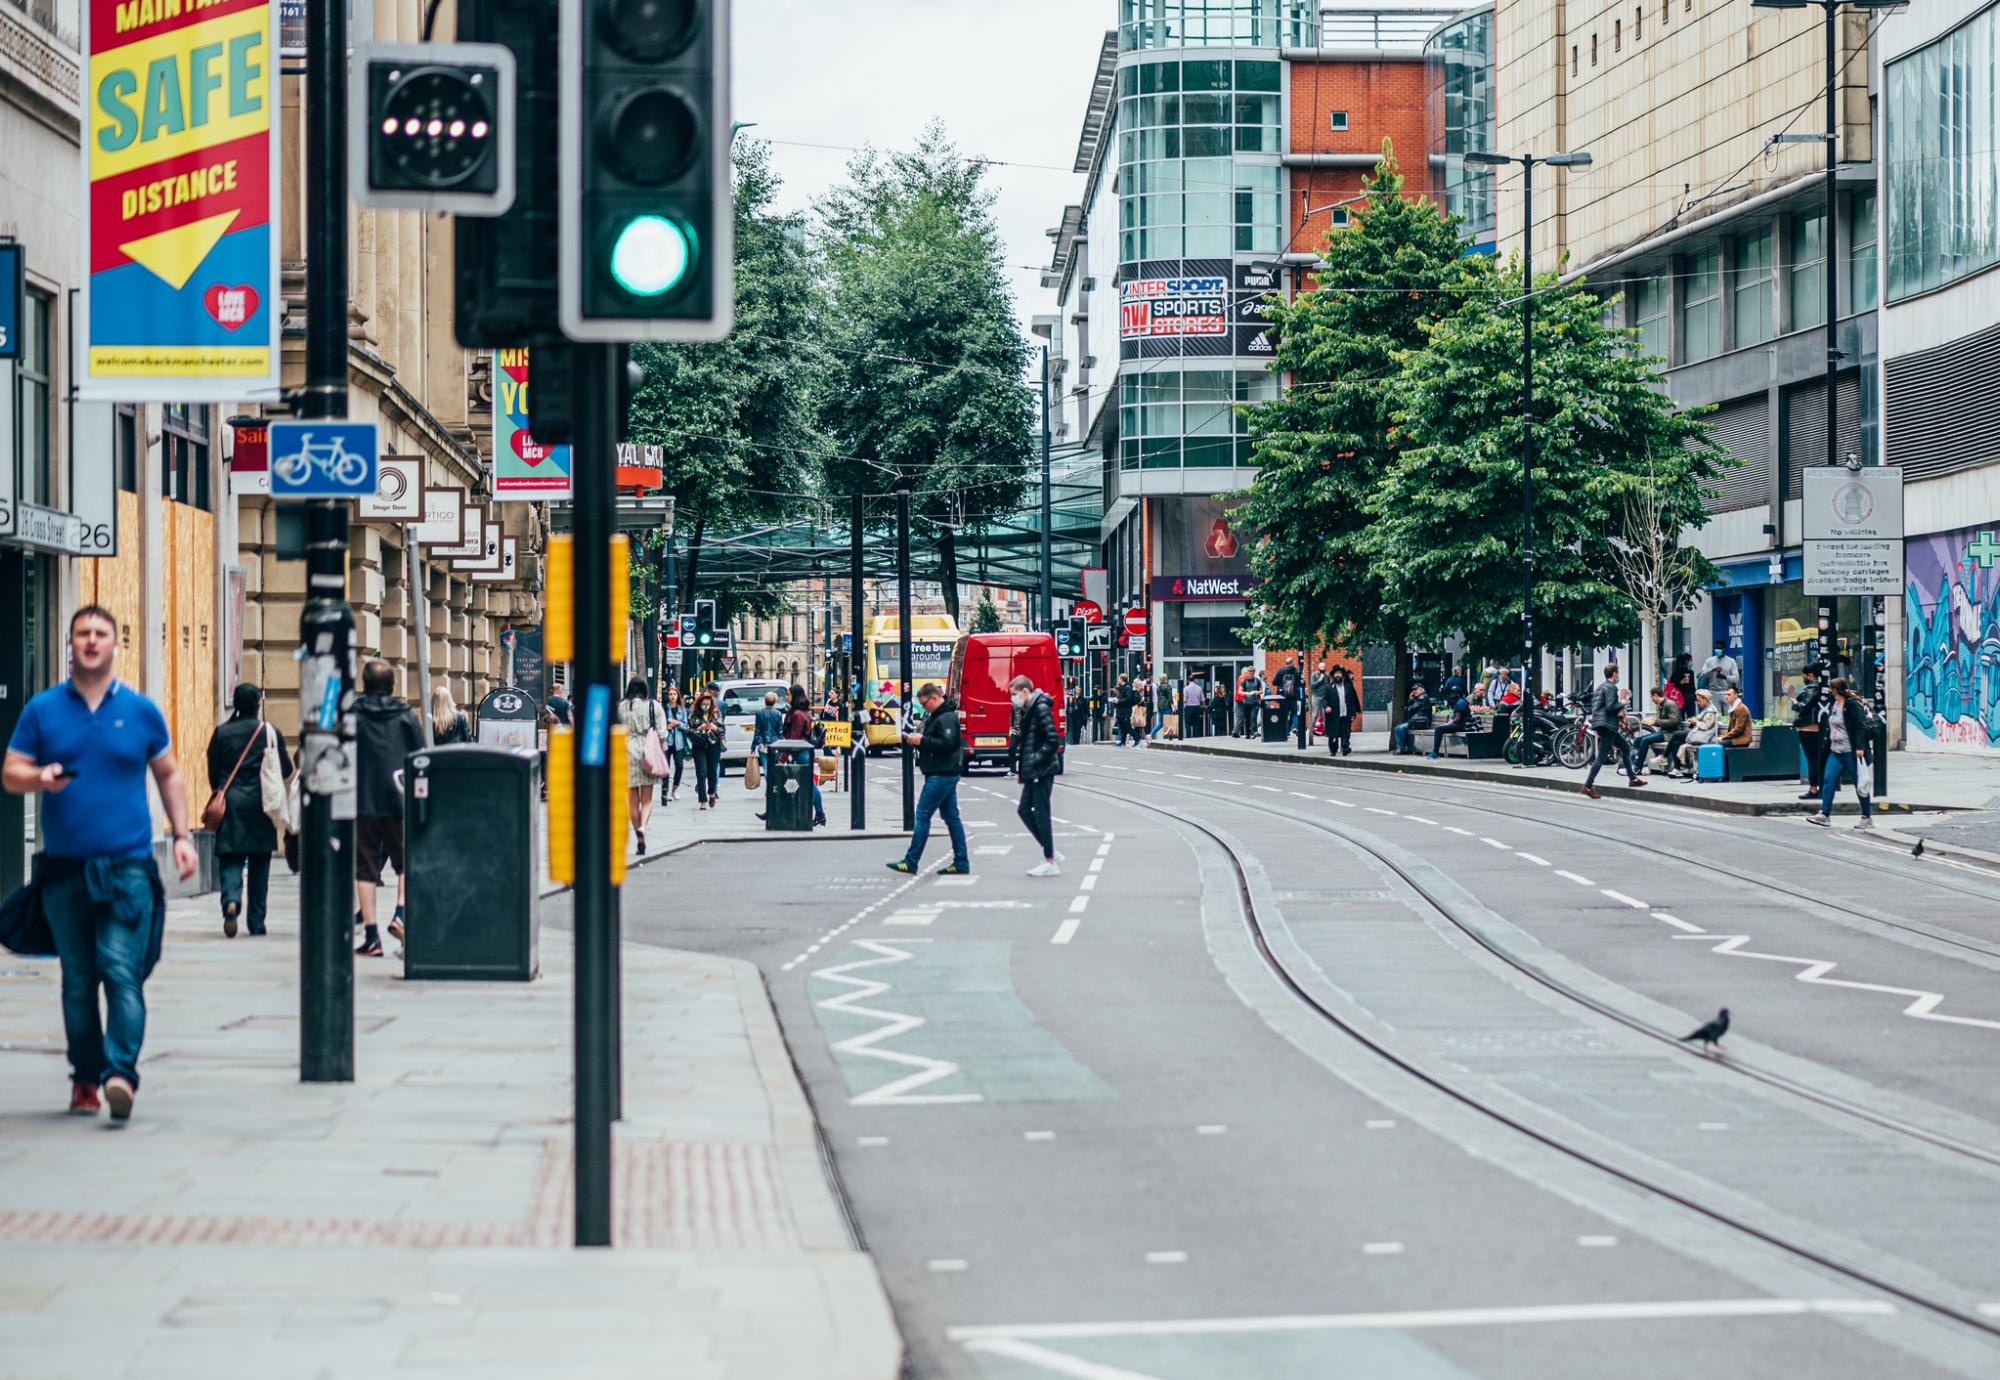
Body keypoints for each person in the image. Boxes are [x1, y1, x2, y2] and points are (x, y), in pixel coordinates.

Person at [3, 605, 198, 1121]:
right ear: (71, 645)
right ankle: (86, 1077)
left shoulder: (140, 711)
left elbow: (169, 774)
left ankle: (120, 1076)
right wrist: (37, 778)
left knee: (119, 969)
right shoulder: (43, 710)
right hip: (64, 871)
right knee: (77, 978)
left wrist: (182, 836)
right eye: (82, 633)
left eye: (100, 633)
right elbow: (9, 771)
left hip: (128, 867)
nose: (91, 641)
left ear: (115, 645)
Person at [203, 683, 291, 939]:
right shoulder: (269, 732)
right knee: (260, 863)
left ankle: (231, 900)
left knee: (230, 857)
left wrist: (221, 790)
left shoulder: (221, 733)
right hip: (262, 805)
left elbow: (213, 771)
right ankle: (256, 921)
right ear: (257, 704)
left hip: (231, 803)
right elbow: (284, 769)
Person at [354, 659, 425, 956]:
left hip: (363, 799)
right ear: (392, 686)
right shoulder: (407, 717)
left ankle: (371, 936)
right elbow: (421, 756)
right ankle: (400, 914)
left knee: (365, 869)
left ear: (364, 684)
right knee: (405, 862)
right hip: (399, 798)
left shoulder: (353, 715)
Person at [888, 683, 969, 874]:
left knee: (923, 815)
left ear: (934, 698)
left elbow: (948, 744)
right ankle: (961, 861)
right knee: (951, 817)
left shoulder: (946, 718)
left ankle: (911, 860)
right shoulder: (939, 715)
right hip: (944, 772)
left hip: (941, 773)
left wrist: (922, 740)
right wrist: (919, 741)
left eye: (925, 704)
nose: (924, 707)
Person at [1009, 673, 1063, 876]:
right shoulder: (1029, 709)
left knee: (1041, 813)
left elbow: (1052, 741)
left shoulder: (1040, 708)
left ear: (1025, 691)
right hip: (1034, 770)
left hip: (1043, 769)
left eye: (1014, 694)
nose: (1012, 698)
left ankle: (1050, 861)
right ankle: (1051, 852)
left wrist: (1034, 759)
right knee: (1024, 810)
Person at [1808, 676, 1874, 830]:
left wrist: (1859, 748)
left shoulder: (1851, 704)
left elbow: (1860, 726)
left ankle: (1866, 817)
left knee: (1860, 784)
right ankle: (1824, 814)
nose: (1830, 691)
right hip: (1836, 751)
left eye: (1831, 688)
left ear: (1835, 690)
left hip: (1851, 752)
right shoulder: (1835, 704)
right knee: (1828, 779)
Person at [1581, 663, 1646, 799]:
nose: (1618, 676)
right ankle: (1587, 786)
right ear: (1615, 674)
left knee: (1625, 748)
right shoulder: (1611, 687)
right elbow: (1610, 707)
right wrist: (1623, 702)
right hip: (1607, 725)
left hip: (1601, 724)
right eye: (1618, 673)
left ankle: (1632, 778)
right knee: (1601, 757)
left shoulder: (1600, 687)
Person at [620, 677, 668, 855]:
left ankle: (636, 831)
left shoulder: (623, 707)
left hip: (626, 751)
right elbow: (662, 732)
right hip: (647, 750)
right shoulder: (653, 706)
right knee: (646, 799)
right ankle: (642, 828)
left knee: (632, 800)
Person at [781, 684, 829, 828]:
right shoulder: (801, 712)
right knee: (800, 784)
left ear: (794, 696)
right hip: (802, 752)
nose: (786, 697)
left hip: (800, 753)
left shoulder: (797, 714)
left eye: (788, 694)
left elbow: (794, 739)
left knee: (809, 785)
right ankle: (813, 814)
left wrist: (782, 758)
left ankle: (820, 814)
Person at [1792, 663, 1830, 801]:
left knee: (1812, 759)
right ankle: (1819, 787)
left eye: (1804, 676)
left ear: (1810, 675)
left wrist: (1795, 704)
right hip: (1818, 727)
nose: (1804, 678)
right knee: (1817, 759)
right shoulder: (1824, 687)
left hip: (1809, 727)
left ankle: (1813, 788)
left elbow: (1804, 706)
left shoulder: (1812, 688)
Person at [687, 690, 725, 808]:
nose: (706, 706)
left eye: (708, 704)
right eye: (703, 704)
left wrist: (714, 728)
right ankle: (703, 800)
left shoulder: (716, 714)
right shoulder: (693, 714)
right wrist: (700, 727)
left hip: (713, 745)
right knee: (701, 771)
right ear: (699, 703)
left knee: (712, 770)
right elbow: (689, 730)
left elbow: (722, 730)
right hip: (699, 745)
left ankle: (712, 793)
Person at [1629, 687, 1681, 771]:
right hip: (1663, 731)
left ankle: (1638, 767)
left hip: (1669, 733)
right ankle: (1635, 762)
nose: (1652, 699)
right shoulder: (1662, 705)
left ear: (1655, 695)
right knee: (1638, 740)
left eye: (1651, 697)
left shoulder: (1670, 704)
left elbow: (1674, 721)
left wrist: (1655, 722)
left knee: (1645, 740)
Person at [1672, 690, 1721, 777]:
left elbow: (1706, 726)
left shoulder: (1711, 711)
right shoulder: (1706, 709)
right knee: (1676, 742)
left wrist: (1696, 722)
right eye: (1697, 701)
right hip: (1698, 734)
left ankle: (1665, 758)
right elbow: (1699, 718)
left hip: (1704, 737)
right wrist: (1693, 720)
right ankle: (1677, 768)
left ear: (1706, 699)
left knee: (1676, 735)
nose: (1698, 703)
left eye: (1699, 700)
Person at [1320, 665, 1358, 757]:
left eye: (1340, 673)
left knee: (1345, 731)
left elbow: (1352, 700)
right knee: (1334, 733)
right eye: (1336, 673)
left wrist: (1353, 713)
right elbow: (1323, 699)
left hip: (1345, 714)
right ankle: (1333, 750)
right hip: (1333, 715)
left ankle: (1345, 747)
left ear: (1342, 675)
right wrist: (1326, 707)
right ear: (1333, 675)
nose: (1338, 675)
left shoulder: (1348, 687)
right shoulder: (1328, 687)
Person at [1427, 688, 1474, 758]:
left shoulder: (1460, 703)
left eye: (1453, 693)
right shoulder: (1460, 701)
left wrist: (1448, 724)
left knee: (1438, 729)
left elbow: (1457, 719)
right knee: (1439, 728)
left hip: (1462, 725)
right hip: (1462, 724)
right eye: (1451, 692)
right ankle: (1435, 752)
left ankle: (1435, 752)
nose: (1451, 694)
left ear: (1458, 694)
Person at [1392, 684, 1433, 755]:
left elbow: (1411, 709)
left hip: (1420, 722)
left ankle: (1401, 748)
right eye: (1413, 690)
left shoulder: (1422, 697)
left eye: (1416, 690)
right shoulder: (1419, 698)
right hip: (1417, 721)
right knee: (1399, 727)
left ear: (1422, 690)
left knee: (1400, 728)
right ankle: (1402, 748)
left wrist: (1410, 700)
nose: (1414, 692)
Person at [751, 690, 784, 774]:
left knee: (766, 768)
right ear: (775, 702)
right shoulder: (778, 714)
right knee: (773, 767)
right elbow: (780, 731)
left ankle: (768, 785)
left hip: (762, 744)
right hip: (775, 744)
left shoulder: (759, 713)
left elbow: (757, 731)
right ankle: (772, 785)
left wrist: (753, 747)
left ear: (765, 701)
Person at [1273, 656, 1302, 734]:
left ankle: (1286, 733)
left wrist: (1281, 684)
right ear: (1292, 663)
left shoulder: (1281, 671)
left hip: (1283, 697)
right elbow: (1301, 683)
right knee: (1295, 712)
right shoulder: (1296, 672)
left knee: (1284, 714)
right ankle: (1295, 727)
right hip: (1294, 696)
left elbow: (1274, 682)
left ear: (1286, 663)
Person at [1235, 665, 1266, 737]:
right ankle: (1248, 734)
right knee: (1247, 719)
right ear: (1247, 672)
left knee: (1253, 717)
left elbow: (1261, 691)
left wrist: (1256, 692)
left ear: (1254, 673)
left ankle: (1254, 732)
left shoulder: (1257, 681)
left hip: (1255, 703)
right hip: (1246, 703)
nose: (1250, 674)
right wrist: (1246, 693)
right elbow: (1239, 691)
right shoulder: (1244, 681)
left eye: (1252, 672)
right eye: (1249, 672)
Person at [1666, 651, 1697, 716]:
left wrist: (1695, 697)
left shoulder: (1691, 672)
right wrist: (1681, 682)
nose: (1691, 662)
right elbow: (1671, 686)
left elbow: (1692, 686)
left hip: (1689, 697)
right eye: (1690, 660)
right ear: (1686, 661)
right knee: (1680, 716)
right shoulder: (1677, 672)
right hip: (1679, 697)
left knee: (1691, 717)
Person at [1113, 675, 1139, 747]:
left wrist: (1119, 701)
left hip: (1126, 710)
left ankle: (1136, 738)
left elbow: (1128, 699)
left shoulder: (1128, 687)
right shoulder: (1122, 687)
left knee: (1127, 726)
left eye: (1119, 679)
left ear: (1122, 679)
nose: (1118, 680)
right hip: (1121, 710)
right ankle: (1122, 741)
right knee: (1122, 726)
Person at [1183, 674, 1206, 740]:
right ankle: (1196, 738)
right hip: (1197, 707)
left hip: (1189, 707)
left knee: (1188, 724)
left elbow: (1184, 699)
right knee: (1196, 724)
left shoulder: (1186, 688)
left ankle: (1188, 737)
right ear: (1194, 680)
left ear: (1188, 680)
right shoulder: (1199, 688)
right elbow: (1202, 699)